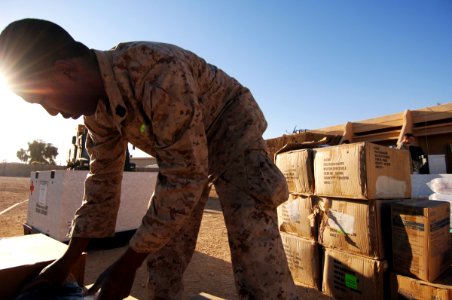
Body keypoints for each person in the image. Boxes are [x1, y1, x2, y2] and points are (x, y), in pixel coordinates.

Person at [0, 19, 299, 300]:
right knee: (163, 250)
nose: (51, 112)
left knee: (255, 249)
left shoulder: (156, 72)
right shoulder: (98, 113)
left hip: (231, 133)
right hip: (185, 155)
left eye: (43, 99)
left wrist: (126, 265)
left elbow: (185, 175)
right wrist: (66, 261)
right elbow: (103, 185)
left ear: (67, 71)